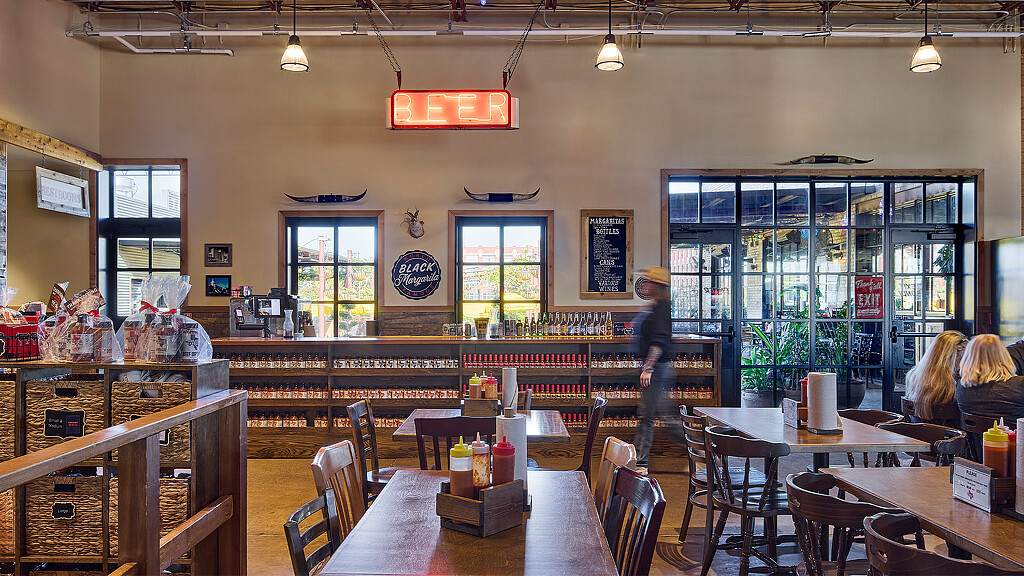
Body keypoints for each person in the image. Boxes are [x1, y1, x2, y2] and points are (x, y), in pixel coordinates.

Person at [631, 266, 687, 476]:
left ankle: (641, 463)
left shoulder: (661, 308)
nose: (646, 284)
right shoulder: (657, 306)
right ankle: (703, 453)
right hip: (659, 369)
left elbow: (659, 341)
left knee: (649, 416)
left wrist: (648, 367)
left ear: (658, 285)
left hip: (658, 369)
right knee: (664, 417)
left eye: (649, 281)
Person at [957, 334, 1024, 425]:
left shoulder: (961, 387)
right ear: (1004, 355)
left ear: (969, 357)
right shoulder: (1020, 385)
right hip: (1013, 438)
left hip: (974, 439)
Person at [903, 330, 965, 426]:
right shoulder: (951, 388)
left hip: (919, 435)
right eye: (965, 356)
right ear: (954, 356)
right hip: (948, 438)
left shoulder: (914, 377)